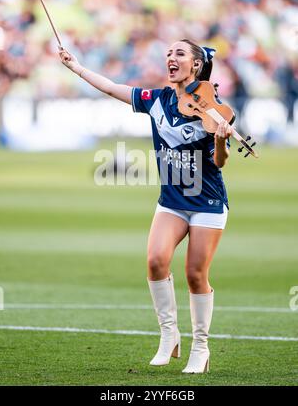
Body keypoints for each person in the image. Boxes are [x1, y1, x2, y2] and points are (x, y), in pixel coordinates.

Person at [59, 38, 232, 374]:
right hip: (172, 200)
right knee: (155, 261)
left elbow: (220, 162)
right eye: (169, 53)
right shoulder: (157, 99)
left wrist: (221, 139)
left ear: (196, 65)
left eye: (179, 53)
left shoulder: (212, 109)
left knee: (196, 274)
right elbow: (111, 88)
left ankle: (201, 347)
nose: (171, 57)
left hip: (207, 201)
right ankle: (169, 336)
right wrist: (76, 66)